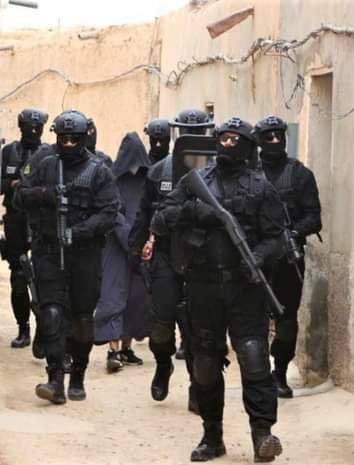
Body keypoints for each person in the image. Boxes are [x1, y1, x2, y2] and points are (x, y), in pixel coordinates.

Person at [151, 117, 285, 462]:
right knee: (206, 363)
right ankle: (212, 436)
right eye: (222, 138)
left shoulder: (261, 187)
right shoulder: (196, 181)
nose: (227, 144)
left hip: (245, 289)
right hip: (203, 286)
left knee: (254, 358)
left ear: (247, 146)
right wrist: (197, 212)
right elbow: (160, 220)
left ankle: (262, 433)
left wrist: (258, 257)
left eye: (234, 140)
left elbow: (277, 239)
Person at [13, 109, 119, 404]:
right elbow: (19, 197)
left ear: (83, 138)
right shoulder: (43, 162)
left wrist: (79, 231)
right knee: (51, 314)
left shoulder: (99, 170)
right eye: (63, 139)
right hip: (48, 250)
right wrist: (45, 194)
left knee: (82, 319)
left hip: (85, 255)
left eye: (74, 139)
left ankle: (78, 375)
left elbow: (109, 212)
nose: (68, 144)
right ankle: (55, 379)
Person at [128, 111, 212, 412]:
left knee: (197, 331)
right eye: (186, 132)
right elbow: (144, 214)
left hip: (203, 260)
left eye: (198, 132)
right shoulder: (159, 171)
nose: (192, 138)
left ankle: (197, 387)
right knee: (161, 325)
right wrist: (135, 248)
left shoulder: (217, 171)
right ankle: (163, 364)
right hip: (166, 254)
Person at [253, 116, 322, 399]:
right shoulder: (249, 173)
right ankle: (257, 373)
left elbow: (314, 217)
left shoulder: (299, 174)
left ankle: (279, 372)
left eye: (278, 136)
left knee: (287, 320)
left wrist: (293, 233)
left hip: (287, 259)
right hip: (256, 257)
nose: (274, 141)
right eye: (268, 137)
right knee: (253, 318)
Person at [94, 132, 152, 372]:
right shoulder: (112, 181)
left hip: (141, 248)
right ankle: (113, 350)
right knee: (113, 296)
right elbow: (113, 212)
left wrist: (148, 241)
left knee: (137, 300)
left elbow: (152, 211)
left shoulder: (149, 181)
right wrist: (132, 240)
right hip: (117, 248)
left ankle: (126, 348)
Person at [0, 107, 49, 349]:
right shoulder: (9, 152)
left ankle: (43, 327)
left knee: (43, 277)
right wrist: (12, 184)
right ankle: (23, 328)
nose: (34, 131)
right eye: (30, 127)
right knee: (18, 277)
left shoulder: (48, 154)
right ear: (21, 127)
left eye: (38, 128)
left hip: (40, 221)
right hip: (15, 221)